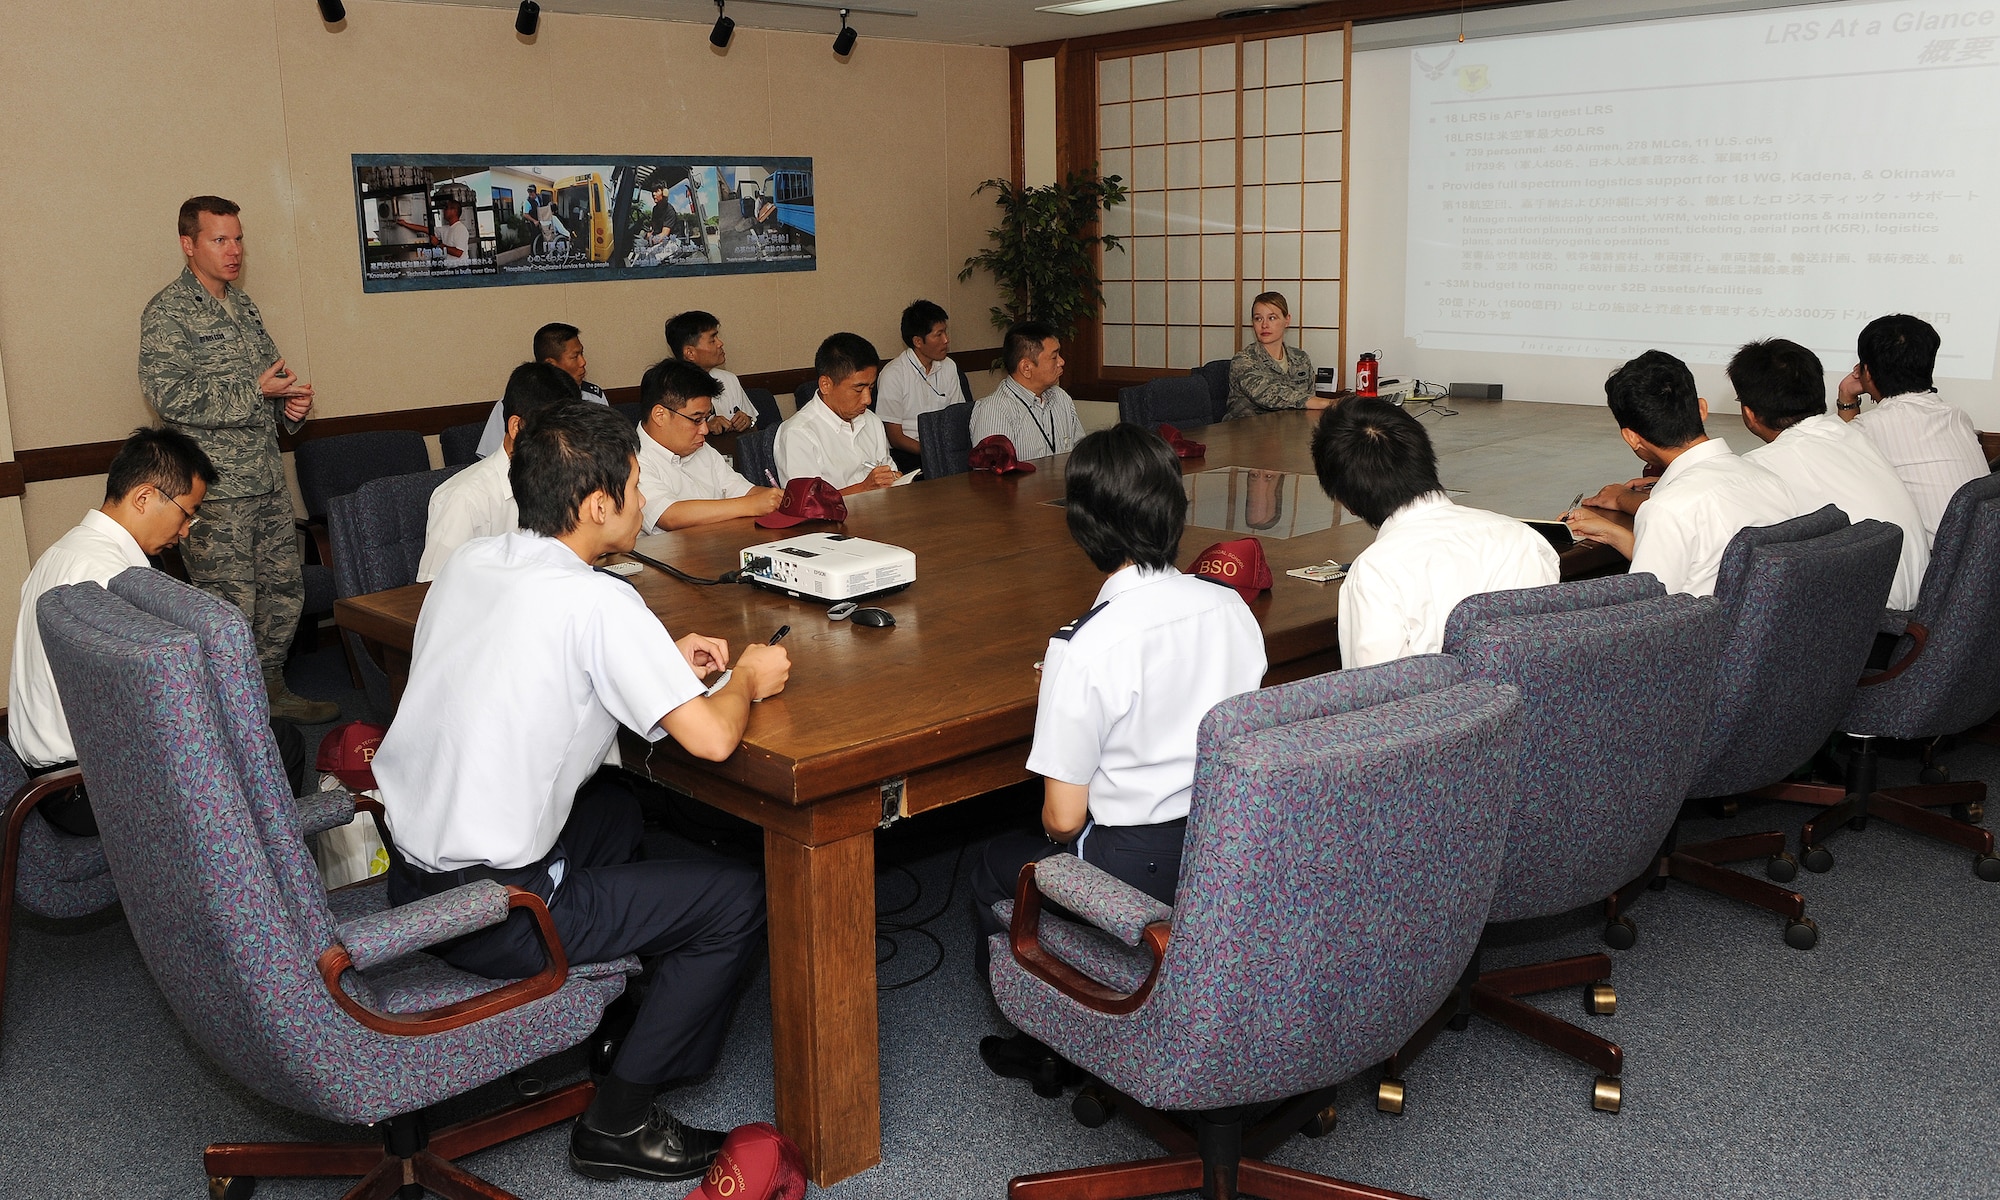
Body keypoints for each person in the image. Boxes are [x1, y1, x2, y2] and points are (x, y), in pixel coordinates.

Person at [375, 402, 789, 1183]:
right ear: (598, 504)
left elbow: (524, 663)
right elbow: (712, 739)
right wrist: (744, 680)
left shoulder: (476, 562)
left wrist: (656, 662)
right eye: (634, 487)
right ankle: (621, 1119)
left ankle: (617, 1024)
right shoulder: (599, 602)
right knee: (736, 896)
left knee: (618, 809)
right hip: (495, 912)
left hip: (411, 879)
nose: (640, 503)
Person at [969, 423, 1266, 1090]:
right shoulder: (1231, 608)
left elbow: (1064, 821)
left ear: (1082, 524)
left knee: (990, 862)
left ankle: (1046, 1036)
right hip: (1230, 850)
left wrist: (1065, 699)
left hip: (1135, 864)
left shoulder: (1085, 645)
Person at [9, 427, 309, 836]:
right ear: (145, 497)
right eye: (187, 513)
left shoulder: (60, 552)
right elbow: (158, 704)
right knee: (275, 742)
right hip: (86, 786)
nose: (186, 530)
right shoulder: (114, 578)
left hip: (46, 777)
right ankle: (248, 881)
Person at [140, 195, 338, 725]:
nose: (234, 250)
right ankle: (232, 709)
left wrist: (289, 406)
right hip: (214, 491)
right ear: (189, 245)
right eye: (219, 240)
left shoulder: (243, 306)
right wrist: (256, 391)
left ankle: (271, 690)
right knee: (229, 602)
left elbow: (268, 384)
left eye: (238, 238)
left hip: (266, 479)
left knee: (281, 589)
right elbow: (169, 395)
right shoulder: (168, 312)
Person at [1313, 397, 1559, 667]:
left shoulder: (1374, 574)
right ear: (1426, 457)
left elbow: (1377, 696)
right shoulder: (1524, 540)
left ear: (1345, 502)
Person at [1565, 350, 1796, 598]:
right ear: (1701, 408)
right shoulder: (1772, 482)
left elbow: (1650, 609)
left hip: (1704, 634)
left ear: (1631, 437)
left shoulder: (1669, 509)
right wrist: (1612, 534)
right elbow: (1704, 564)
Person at [1731, 338, 1929, 609]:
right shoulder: (1851, 435)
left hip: (1871, 624)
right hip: (1915, 610)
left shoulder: (1761, 467)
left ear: (1749, 413)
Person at [418, 362, 579, 582]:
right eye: (557, 433)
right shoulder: (464, 500)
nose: (566, 445)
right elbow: (433, 590)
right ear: (517, 427)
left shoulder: (565, 483)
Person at [1835, 314, 1987, 547]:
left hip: (1935, 567)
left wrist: (1846, 395)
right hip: (1980, 562)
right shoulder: (1956, 415)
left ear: (1866, 372)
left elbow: (1840, 471)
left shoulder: (1870, 427)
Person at [634, 358, 783, 530]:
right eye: (697, 420)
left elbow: (741, 489)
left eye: (706, 418)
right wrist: (750, 505)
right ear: (660, 415)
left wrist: (779, 498)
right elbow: (670, 516)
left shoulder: (700, 448)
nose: (705, 429)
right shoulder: (632, 459)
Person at [773, 333, 900, 493]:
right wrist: (864, 488)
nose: (868, 399)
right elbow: (807, 504)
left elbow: (888, 471)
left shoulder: (871, 421)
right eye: (858, 389)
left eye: (871, 388)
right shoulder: (798, 434)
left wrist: (893, 478)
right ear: (826, 385)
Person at [474, 323, 611, 458]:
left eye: (582, 354)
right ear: (551, 364)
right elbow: (494, 459)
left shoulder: (594, 397)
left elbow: (609, 448)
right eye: (575, 356)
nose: (583, 362)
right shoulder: (512, 404)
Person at [873, 300, 967, 471]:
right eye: (938, 335)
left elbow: (957, 416)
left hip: (946, 449)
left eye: (945, 332)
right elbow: (895, 437)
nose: (946, 340)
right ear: (917, 341)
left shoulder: (949, 366)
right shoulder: (893, 374)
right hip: (909, 454)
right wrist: (933, 453)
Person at [970, 320, 1085, 458]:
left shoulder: (1061, 398)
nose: (1061, 362)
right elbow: (991, 477)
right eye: (1054, 357)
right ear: (1026, 368)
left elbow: (1081, 455)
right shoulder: (995, 411)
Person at [1226, 292, 1328, 420]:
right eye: (1258, 318)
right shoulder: (1243, 360)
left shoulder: (1301, 358)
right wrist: (1327, 403)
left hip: (1290, 432)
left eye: (1272, 318)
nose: (1264, 325)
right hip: (1246, 433)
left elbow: (1310, 403)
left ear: (1287, 320)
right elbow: (1269, 394)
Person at [665, 310, 755, 433]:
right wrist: (704, 427)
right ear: (690, 353)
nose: (720, 344)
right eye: (712, 340)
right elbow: (669, 434)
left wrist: (747, 420)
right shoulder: (669, 388)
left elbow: (752, 419)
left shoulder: (729, 379)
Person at [432, 195, 470, 261]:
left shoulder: (460, 229)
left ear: (454, 211)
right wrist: (407, 224)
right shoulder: (446, 229)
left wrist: (439, 244)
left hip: (460, 268)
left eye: (446, 208)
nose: (444, 211)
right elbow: (426, 229)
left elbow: (458, 253)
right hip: (452, 269)